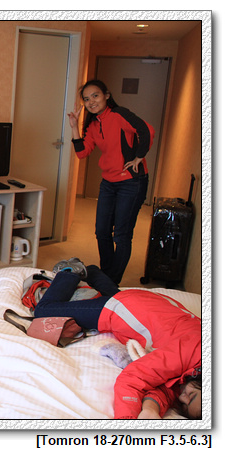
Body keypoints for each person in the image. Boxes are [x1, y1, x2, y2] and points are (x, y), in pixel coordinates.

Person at [36, 258, 201, 419]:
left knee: (118, 297)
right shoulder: (194, 350)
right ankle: (70, 272)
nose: (182, 398)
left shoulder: (198, 368)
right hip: (129, 309)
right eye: (191, 395)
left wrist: (151, 410)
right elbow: (133, 378)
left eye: (184, 406)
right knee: (44, 311)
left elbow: (166, 389)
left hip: (151, 305)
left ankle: (92, 273)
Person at [68, 80, 154, 285]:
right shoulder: (93, 124)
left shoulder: (119, 114)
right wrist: (74, 127)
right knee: (102, 232)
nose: (91, 102)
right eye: (86, 99)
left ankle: (111, 282)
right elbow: (82, 153)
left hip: (131, 182)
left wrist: (139, 156)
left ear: (106, 95)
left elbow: (147, 130)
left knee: (121, 235)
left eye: (95, 96)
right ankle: (106, 276)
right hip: (108, 182)